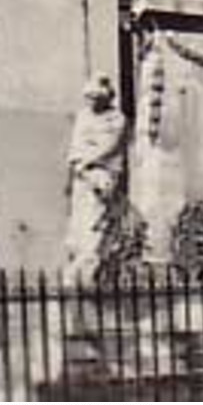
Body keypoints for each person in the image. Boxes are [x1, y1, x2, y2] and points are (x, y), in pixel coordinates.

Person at [65, 76, 128, 278]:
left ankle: (92, 264)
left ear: (105, 98)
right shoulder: (83, 116)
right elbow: (76, 143)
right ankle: (79, 263)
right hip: (83, 175)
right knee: (79, 223)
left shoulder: (117, 119)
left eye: (95, 98)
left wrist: (89, 159)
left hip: (102, 173)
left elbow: (111, 146)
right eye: (88, 97)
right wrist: (80, 165)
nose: (91, 102)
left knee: (96, 223)